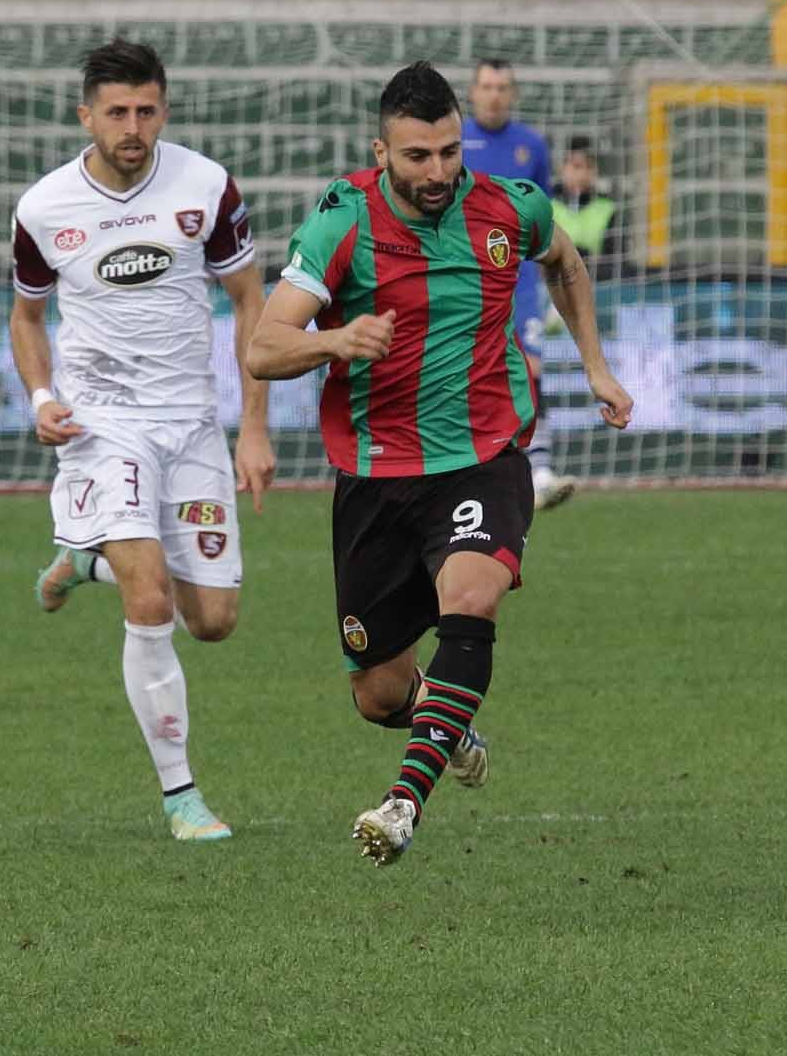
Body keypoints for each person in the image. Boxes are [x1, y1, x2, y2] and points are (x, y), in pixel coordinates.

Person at [246, 61, 633, 866]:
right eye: (418, 156)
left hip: (482, 456)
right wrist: (335, 340)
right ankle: (446, 722)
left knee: (472, 594)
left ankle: (402, 803)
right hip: (377, 477)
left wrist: (595, 366)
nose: (439, 173)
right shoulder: (341, 223)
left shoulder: (508, 208)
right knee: (378, 692)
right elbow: (264, 345)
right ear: (380, 152)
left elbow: (563, 263)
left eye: (450, 152)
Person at [12, 37, 276, 842]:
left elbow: (249, 301)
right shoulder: (44, 207)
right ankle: (182, 798)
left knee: (215, 620)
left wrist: (253, 429)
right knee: (151, 599)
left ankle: (82, 559)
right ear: (85, 114)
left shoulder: (205, 186)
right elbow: (27, 315)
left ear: (164, 108)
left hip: (191, 421)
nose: (134, 126)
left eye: (147, 110)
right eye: (118, 112)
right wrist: (42, 396)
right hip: (101, 423)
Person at [462, 59, 575, 510]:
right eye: (487, 86)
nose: (494, 94)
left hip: (519, 279)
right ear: (472, 93)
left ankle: (540, 471)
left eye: (502, 87)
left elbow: (541, 218)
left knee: (529, 370)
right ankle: (469, 469)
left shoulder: (532, 146)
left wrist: (548, 285)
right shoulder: (454, 143)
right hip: (467, 278)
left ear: (513, 94)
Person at [552, 135, 620, 279]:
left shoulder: (607, 209)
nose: (582, 174)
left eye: (589, 167)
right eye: (576, 166)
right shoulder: (547, 207)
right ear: (562, 168)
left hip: (596, 286)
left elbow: (616, 262)